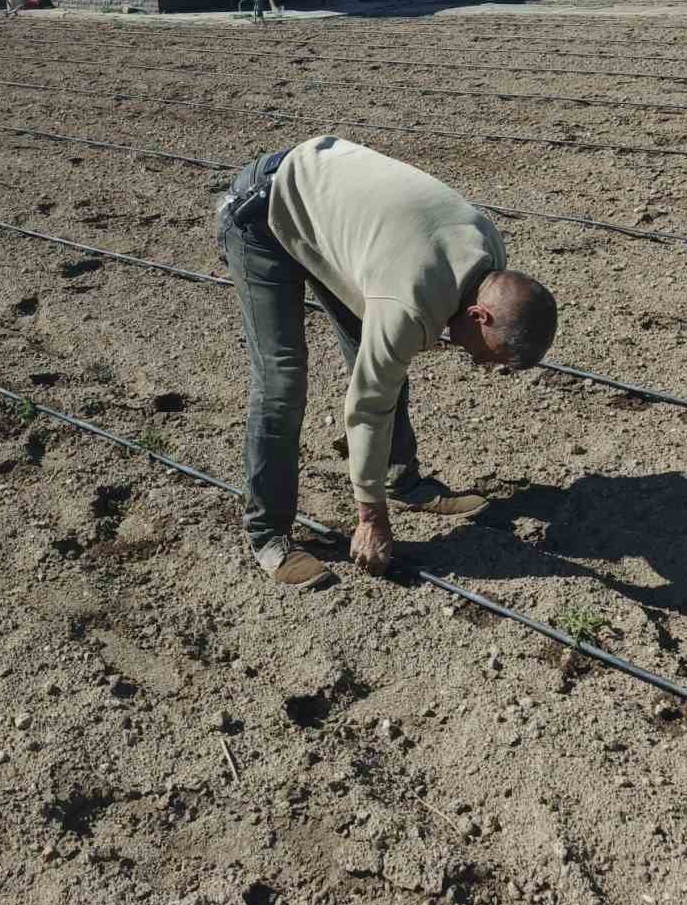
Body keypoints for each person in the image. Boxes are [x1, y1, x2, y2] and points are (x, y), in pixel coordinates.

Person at [218, 135, 559, 590]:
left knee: (374, 351)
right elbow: (367, 405)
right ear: (479, 315)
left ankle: (400, 480)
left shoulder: (489, 253)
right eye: (492, 358)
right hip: (263, 213)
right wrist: (369, 517)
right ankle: (267, 532)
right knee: (282, 382)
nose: (486, 368)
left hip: (335, 217)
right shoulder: (409, 304)